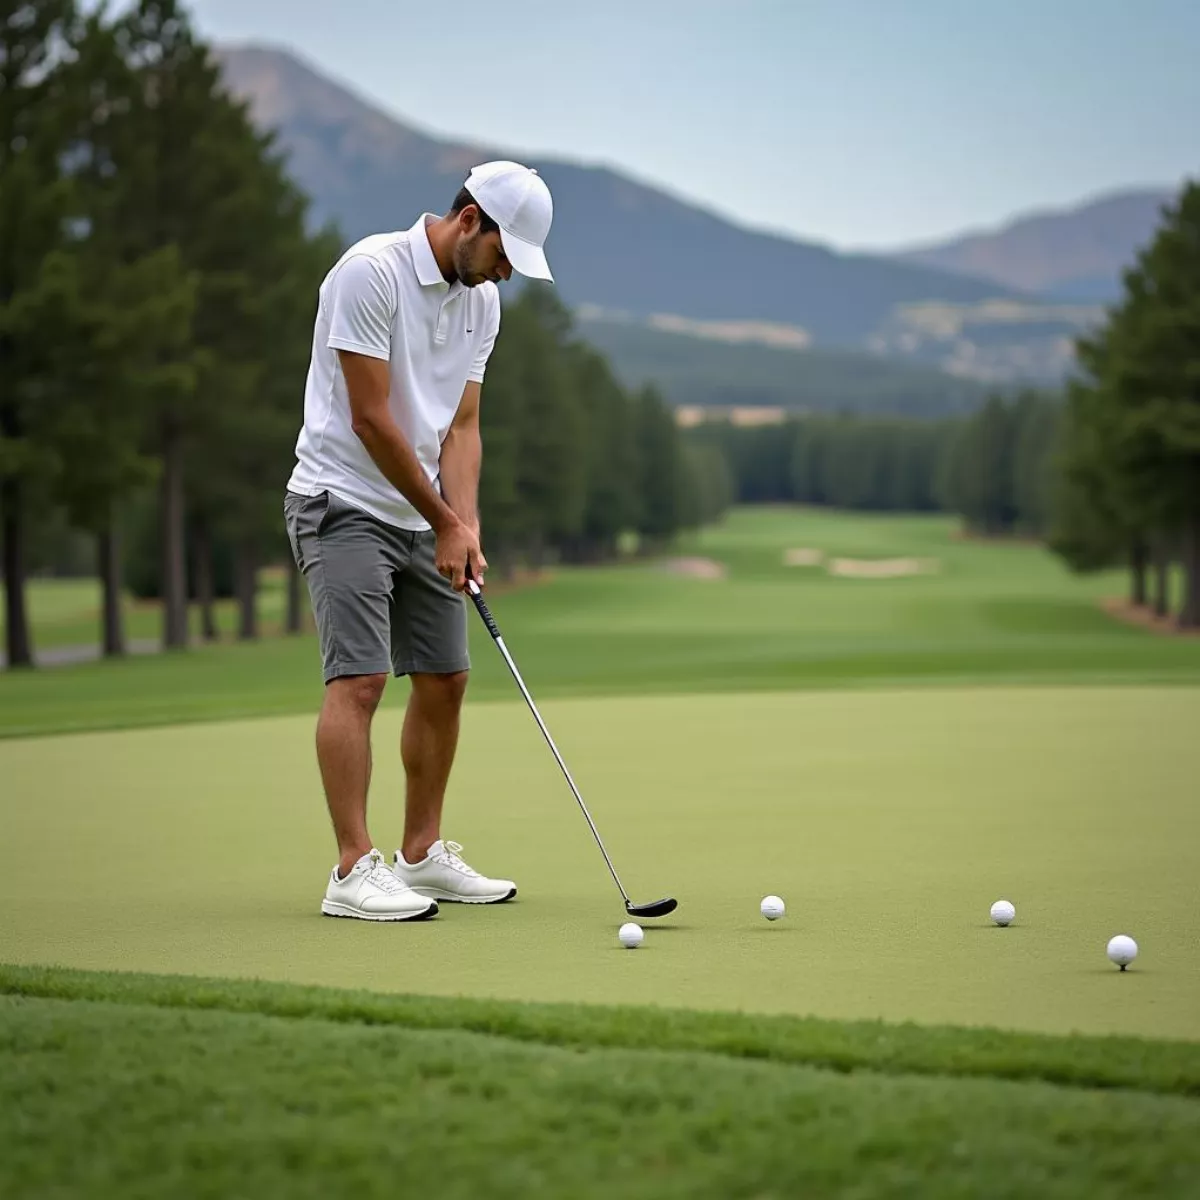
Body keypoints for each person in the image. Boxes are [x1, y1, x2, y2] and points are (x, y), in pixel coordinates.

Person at [283, 160, 555, 921]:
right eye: (504, 252)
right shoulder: (369, 275)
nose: (506, 271)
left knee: (445, 678)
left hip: (423, 510)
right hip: (341, 500)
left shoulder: (483, 304)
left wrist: (461, 527)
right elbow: (373, 419)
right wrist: (442, 519)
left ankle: (421, 855)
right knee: (361, 681)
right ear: (468, 220)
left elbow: (463, 426)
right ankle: (351, 869)